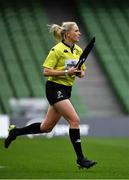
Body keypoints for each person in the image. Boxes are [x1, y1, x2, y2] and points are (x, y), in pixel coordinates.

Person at [4, 21, 97, 169]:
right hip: (54, 88)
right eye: (76, 31)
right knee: (75, 120)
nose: (79, 33)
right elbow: (46, 71)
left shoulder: (78, 50)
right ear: (67, 34)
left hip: (67, 89)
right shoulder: (57, 50)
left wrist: (79, 73)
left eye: (79, 31)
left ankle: (15, 132)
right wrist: (67, 72)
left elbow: (82, 72)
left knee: (46, 127)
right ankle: (81, 159)